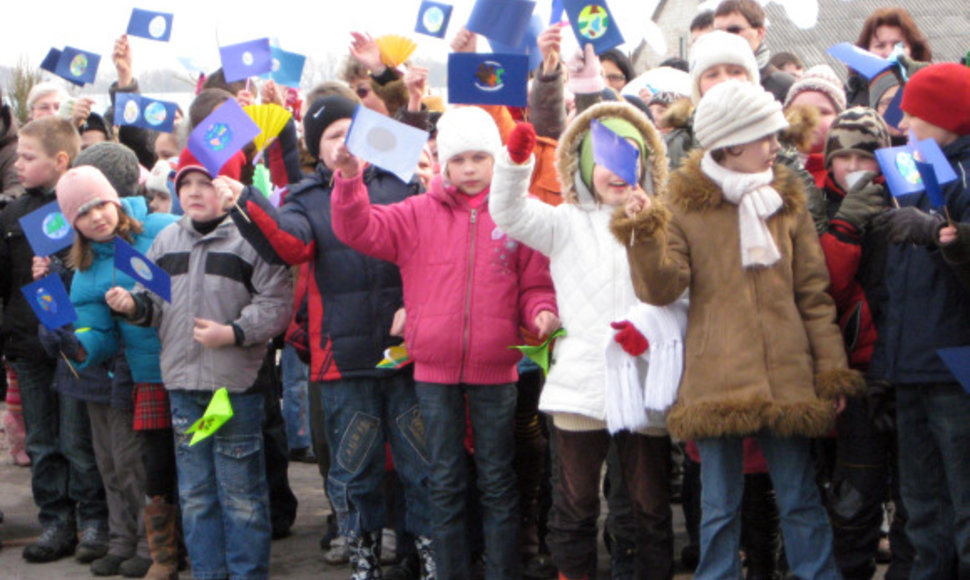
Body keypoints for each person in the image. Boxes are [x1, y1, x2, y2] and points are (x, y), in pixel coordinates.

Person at [613, 80, 862, 579]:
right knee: (719, 507)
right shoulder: (683, 206)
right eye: (765, 136)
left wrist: (831, 370)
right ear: (730, 143)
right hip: (715, 375)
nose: (776, 145)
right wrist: (641, 234)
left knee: (799, 499)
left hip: (786, 372)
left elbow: (812, 295)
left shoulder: (786, 198)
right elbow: (661, 289)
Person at [329, 105, 559, 580]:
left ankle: (501, 571)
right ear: (442, 162)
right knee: (445, 482)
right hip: (433, 372)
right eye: (459, 160)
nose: (470, 169)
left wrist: (540, 312)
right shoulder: (416, 214)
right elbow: (357, 228)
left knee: (498, 481)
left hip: (497, 370)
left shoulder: (515, 217)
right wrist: (350, 181)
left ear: (496, 160)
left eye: (480, 157)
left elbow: (534, 284)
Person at [228, 93, 437, 579]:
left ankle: (425, 558)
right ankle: (363, 560)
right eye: (331, 136)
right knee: (354, 472)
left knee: (420, 467)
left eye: (351, 130)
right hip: (342, 360)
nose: (344, 142)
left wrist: (417, 305)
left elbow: (432, 252)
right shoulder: (305, 198)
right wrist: (244, 198)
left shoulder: (404, 183)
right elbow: (289, 246)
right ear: (316, 149)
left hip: (407, 353)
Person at [490, 96, 683, 579]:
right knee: (574, 505)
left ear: (648, 162)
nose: (617, 170)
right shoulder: (563, 223)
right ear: (581, 163)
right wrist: (514, 164)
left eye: (630, 155)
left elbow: (679, 296)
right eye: (604, 158)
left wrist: (648, 228)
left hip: (643, 381)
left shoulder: (665, 222)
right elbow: (509, 214)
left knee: (648, 507)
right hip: (580, 383)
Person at [105, 157, 292, 580]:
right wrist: (131, 305)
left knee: (240, 493)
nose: (192, 191)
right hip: (183, 386)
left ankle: (246, 573)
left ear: (227, 186)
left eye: (204, 182)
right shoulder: (167, 238)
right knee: (195, 493)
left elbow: (277, 304)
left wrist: (233, 332)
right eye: (184, 182)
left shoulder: (252, 239)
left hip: (234, 389)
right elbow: (150, 301)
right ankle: (208, 572)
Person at [39, 165, 178, 577]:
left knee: (174, 465)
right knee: (128, 463)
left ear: (115, 200)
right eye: (83, 213)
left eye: (101, 204)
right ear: (72, 224)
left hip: (189, 362)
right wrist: (71, 340)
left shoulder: (161, 227)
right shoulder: (85, 270)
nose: (97, 216)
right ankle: (139, 545)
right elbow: (94, 336)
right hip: (142, 375)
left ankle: (164, 548)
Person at [869, 62, 970, 580]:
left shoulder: (963, 175)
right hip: (914, 368)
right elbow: (898, 289)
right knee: (923, 510)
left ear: (947, 117)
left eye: (914, 113)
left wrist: (941, 233)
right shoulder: (910, 171)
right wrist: (888, 366)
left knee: (964, 507)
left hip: (957, 368)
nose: (902, 124)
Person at [1, 115, 110, 563]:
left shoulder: (80, 210)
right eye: (19, 156)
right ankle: (55, 521)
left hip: (71, 344)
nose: (19, 165)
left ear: (61, 160)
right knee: (43, 441)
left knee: (77, 440)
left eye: (29, 157)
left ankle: (93, 520)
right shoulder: (11, 213)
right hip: (28, 345)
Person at [815, 107, 913, 579]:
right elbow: (821, 288)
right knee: (854, 499)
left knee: (914, 498)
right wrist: (846, 227)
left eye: (865, 157)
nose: (854, 168)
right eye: (844, 157)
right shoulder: (817, 208)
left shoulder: (908, 202)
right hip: (853, 374)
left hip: (907, 368)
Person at [848, 7, 932, 107]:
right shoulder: (851, 95)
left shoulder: (931, 91)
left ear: (913, 52)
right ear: (866, 51)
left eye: (898, 45)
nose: (889, 53)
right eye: (880, 46)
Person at [713, 0, 795, 102]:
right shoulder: (708, 81)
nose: (725, 36)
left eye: (734, 30)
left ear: (760, 32)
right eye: (718, 31)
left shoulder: (784, 85)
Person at [782, 65, 847, 188]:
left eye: (823, 112)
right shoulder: (766, 166)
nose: (810, 119)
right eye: (801, 110)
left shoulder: (847, 173)